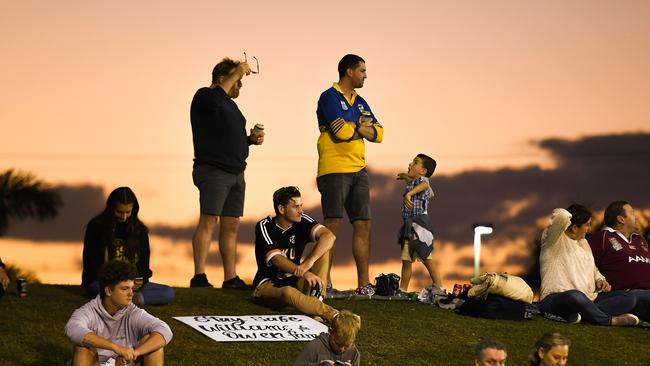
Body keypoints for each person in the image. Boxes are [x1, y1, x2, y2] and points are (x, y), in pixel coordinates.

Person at [189, 57, 264, 289]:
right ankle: (199, 276)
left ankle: (230, 277)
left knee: (231, 225)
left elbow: (227, 137)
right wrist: (238, 71)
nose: (240, 85)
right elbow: (213, 100)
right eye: (237, 81)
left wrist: (249, 140)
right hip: (213, 170)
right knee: (208, 221)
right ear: (223, 79)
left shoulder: (230, 105)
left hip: (236, 172)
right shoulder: (205, 96)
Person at [316, 54, 384, 295]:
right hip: (334, 169)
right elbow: (339, 132)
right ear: (349, 71)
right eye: (362, 70)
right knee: (331, 226)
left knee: (363, 225)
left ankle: (363, 285)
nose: (366, 75)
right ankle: (325, 283)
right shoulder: (328, 96)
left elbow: (380, 133)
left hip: (359, 170)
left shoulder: (360, 100)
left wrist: (354, 126)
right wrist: (360, 127)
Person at [539, 204, 638, 326]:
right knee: (575, 296)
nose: (589, 229)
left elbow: (593, 268)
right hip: (557, 298)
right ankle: (608, 320)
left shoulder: (584, 242)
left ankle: (584, 314)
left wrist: (600, 279)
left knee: (629, 298)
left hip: (590, 299)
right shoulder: (553, 240)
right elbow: (561, 215)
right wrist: (573, 214)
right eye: (587, 224)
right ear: (574, 227)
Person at [252, 186, 339, 322]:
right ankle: (332, 314)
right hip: (268, 284)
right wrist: (304, 272)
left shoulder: (302, 220)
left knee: (323, 250)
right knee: (287, 292)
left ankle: (315, 300)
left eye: (301, 206)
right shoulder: (264, 226)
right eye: (295, 207)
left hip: (295, 279)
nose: (301, 211)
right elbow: (276, 259)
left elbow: (329, 237)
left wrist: (307, 264)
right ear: (282, 209)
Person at [65, 260, 173, 366]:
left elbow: (164, 330)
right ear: (108, 291)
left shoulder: (133, 312)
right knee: (83, 348)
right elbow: (73, 329)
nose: (131, 294)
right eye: (125, 289)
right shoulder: (88, 311)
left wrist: (136, 352)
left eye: (132, 288)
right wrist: (116, 348)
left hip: (125, 363)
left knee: (153, 344)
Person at [82, 187, 174, 306]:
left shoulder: (140, 231)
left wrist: (139, 281)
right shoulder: (96, 227)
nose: (123, 216)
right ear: (111, 208)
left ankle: (132, 299)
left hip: (131, 285)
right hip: (105, 283)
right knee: (95, 289)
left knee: (168, 292)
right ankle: (127, 298)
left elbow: (144, 266)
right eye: (119, 212)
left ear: (133, 210)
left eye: (127, 212)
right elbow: (90, 264)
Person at [588, 201, 650, 320]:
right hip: (624, 295)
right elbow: (585, 264)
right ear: (621, 219)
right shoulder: (602, 237)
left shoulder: (640, 239)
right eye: (632, 213)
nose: (636, 216)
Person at [396, 153, 441, 291]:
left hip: (420, 225)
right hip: (409, 226)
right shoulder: (413, 182)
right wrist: (406, 178)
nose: (410, 164)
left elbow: (423, 186)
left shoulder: (423, 181)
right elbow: (413, 184)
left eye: (415, 162)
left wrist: (408, 194)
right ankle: (402, 290)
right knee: (406, 260)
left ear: (423, 171)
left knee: (427, 258)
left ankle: (439, 288)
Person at [293, 310, 361, 366]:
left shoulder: (354, 353)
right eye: (337, 344)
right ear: (330, 332)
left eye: (347, 346)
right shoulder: (313, 347)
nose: (341, 349)